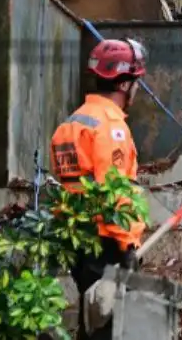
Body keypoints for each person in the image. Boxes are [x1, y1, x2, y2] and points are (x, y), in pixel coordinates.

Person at [52, 38, 150, 302]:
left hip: (77, 237)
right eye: (136, 82)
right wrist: (127, 244)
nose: (137, 89)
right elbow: (112, 191)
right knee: (109, 322)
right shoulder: (111, 128)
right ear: (123, 83)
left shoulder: (71, 124)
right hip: (106, 244)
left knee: (90, 313)